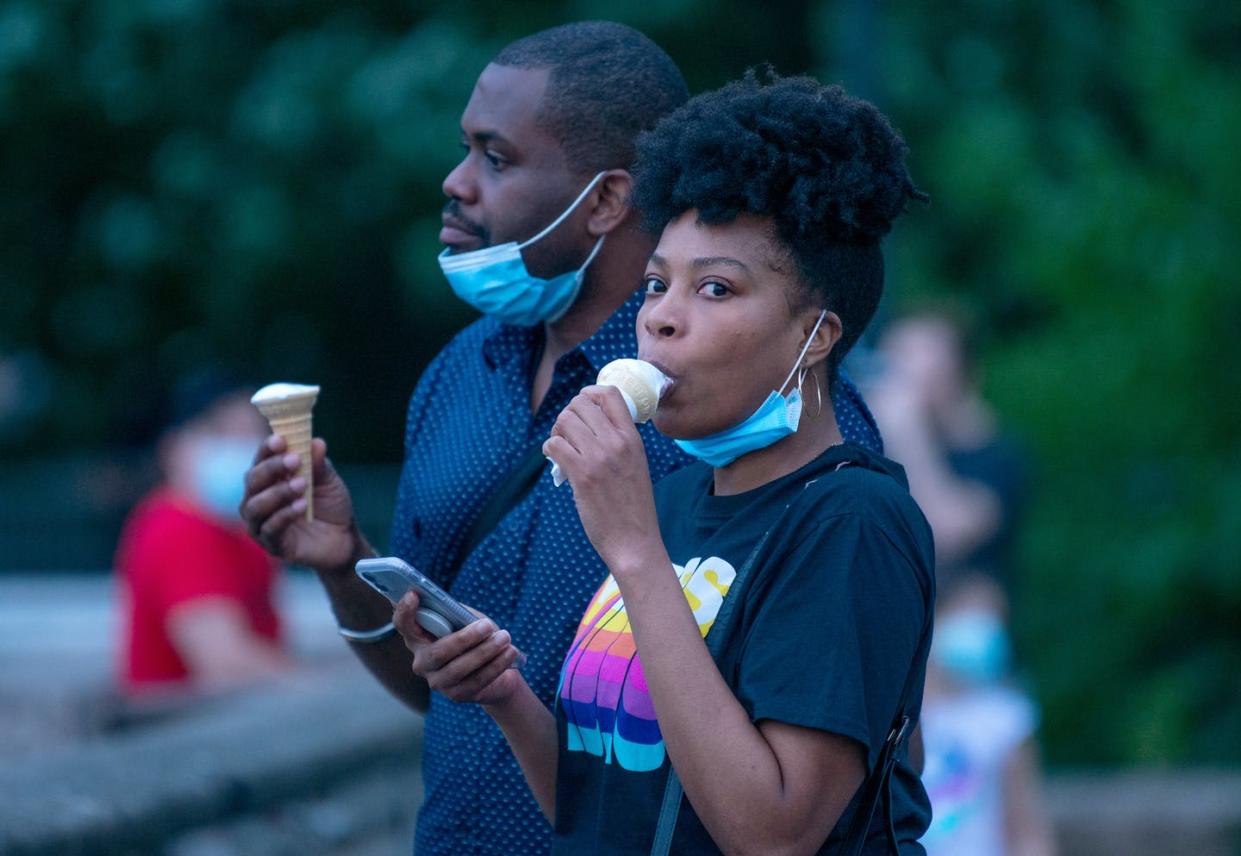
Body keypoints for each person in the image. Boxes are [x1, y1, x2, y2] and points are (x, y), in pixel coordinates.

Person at [240, 23, 882, 855]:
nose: (456, 183)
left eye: (494, 158)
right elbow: (446, 688)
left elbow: (819, 764)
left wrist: (634, 545)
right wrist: (340, 561)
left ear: (608, 201)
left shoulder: (749, 407)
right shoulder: (457, 375)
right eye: (464, 151)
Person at [396, 72, 935, 854]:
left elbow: (773, 834)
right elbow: (600, 811)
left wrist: (636, 553)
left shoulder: (849, 520)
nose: (660, 319)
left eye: (715, 288)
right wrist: (504, 694)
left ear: (814, 338)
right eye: (655, 284)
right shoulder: (677, 500)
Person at [116, 373, 289, 696]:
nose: (241, 448)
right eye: (221, 433)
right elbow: (225, 664)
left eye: (251, 434)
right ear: (171, 448)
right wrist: (321, 688)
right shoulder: (180, 526)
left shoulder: (242, 534)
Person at [871, 307, 1028, 588]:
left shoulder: (999, 455)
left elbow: (947, 533)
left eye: (914, 356)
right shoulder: (881, 442)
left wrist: (906, 428)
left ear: (962, 371)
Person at [919, 574, 1057, 856]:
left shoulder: (1006, 717)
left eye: (993, 620)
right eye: (971, 615)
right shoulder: (901, 709)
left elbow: (1026, 823)